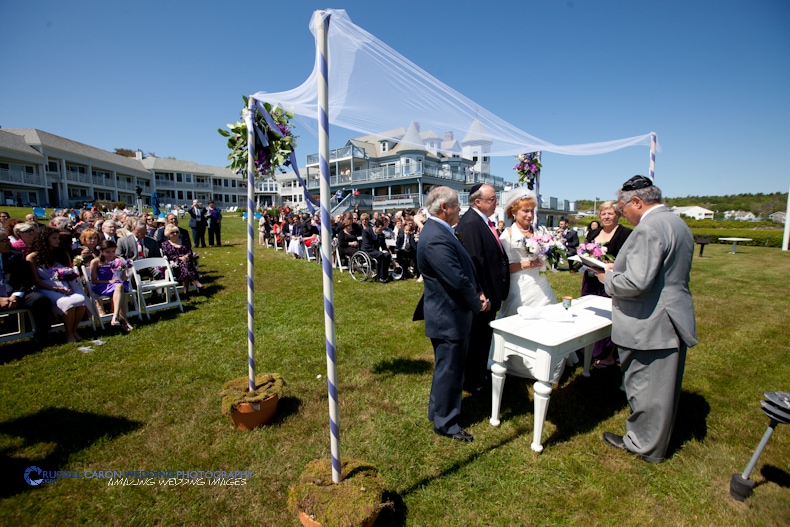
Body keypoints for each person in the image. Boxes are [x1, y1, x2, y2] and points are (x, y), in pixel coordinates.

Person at [593, 176, 697, 463]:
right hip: (671, 313)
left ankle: (643, 444)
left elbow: (636, 283)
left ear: (638, 202)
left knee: (645, 387)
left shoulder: (649, 229)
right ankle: (654, 439)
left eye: (624, 208)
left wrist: (608, 278)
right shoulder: (676, 222)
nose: (623, 213)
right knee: (662, 388)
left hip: (650, 320)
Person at [415, 186, 488, 442]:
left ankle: (438, 412)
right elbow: (455, 279)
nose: (460, 210)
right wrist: (477, 302)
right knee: (451, 369)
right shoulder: (435, 235)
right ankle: (446, 423)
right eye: (457, 206)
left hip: (449, 313)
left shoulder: (440, 231)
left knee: (447, 368)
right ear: (444, 207)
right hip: (448, 316)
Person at [454, 183, 509, 394]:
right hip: (482, 296)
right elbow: (472, 263)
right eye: (492, 199)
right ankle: (473, 381)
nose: (496, 202)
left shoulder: (482, 221)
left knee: (483, 337)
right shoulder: (470, 223)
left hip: (490, 292)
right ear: (478, 202)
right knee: (476, 339)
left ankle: (478, 376)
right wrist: (480, 293)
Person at [580, 201, 632, 367]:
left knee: (609, 316)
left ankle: (608, 354)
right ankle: (587, 350)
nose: (607, 217)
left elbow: (629, 259)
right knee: (588, 314)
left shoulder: (626, 234)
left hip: (611, 280)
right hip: (591, 279)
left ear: (617, 215)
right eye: (603, 214)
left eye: (610, 213)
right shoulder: (594, 232)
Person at [497, 189, 557, 318]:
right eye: (525, 211)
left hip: (540, 282)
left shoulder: (539, 232)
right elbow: (504, 267)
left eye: (531, 211)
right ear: (513, 212)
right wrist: (526, 264)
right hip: (519, 285)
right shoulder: (507, 235)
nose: (529, 215)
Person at [26, 226, 88, 343]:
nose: (57, 241)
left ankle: (74, 330)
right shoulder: (33, 257)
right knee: (68, 303)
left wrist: (68, 286)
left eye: (58, 238)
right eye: (54, 238)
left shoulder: (62, 253)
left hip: (65, 285)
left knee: (81, 300)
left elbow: (69, 272)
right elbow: (37, 281)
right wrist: (56, 289)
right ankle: (68, 334)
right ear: (44, 239)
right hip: (45, 287)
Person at [0, 231, 53, 348]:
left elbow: (26, 280)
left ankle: (42, 335)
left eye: (8, 240)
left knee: (39, 300)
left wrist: (16, 296)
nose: (8, 243)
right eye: (3, 241)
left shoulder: (15, 256)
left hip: (15, 292)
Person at [89, 240, 133, 332]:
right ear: (101, 251)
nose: (111, 254)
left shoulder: (119, 260)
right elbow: (94, 280)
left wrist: (124, 274)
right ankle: (123, 321)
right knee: (119, 288)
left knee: (119, 287)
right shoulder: (96, 262)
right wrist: (109, 281)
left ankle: (116, 316)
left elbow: (124, 276)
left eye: (113, 251)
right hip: (103, 285)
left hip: (118, 284)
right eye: (108, 252)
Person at [161, 224, 202, 294]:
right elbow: (168, 255)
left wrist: (186, 256)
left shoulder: (184, 240)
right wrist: (179, 258)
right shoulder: (165, 244)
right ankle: (194, 280)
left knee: (185, 265)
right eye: (172, 232)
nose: (175, 234)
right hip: (175, 264)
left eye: (177, 232)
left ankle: (186, 291)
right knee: (184, 265)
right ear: (168, 234)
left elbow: (189, 251)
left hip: (188, 261)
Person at [361, 219, 392, 283]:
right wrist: (380, 252)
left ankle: (384, 276)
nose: (381, 231)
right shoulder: (366, 232)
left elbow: (384, 246)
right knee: (380, 255)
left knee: (387, 255)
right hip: (367, 250)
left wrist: (386, 251)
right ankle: (379, 276)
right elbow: (367, 246)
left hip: (376, 251)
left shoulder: (381, 234)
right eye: (380, 229)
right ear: (375, 227)